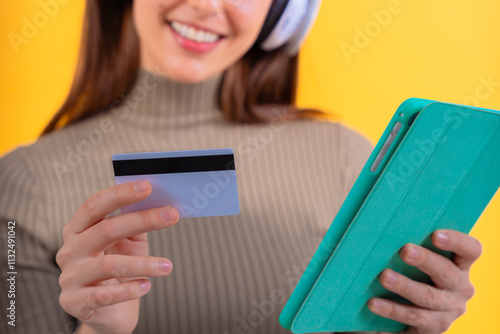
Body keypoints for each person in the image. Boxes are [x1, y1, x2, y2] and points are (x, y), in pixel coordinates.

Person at [0, 0, 482, 333]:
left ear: (283, 11)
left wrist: (416, 321)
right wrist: (101, 328)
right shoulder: (24, 183)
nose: (208, 5)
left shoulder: (348, 160)